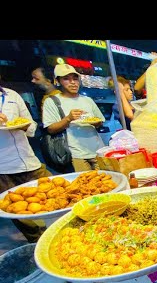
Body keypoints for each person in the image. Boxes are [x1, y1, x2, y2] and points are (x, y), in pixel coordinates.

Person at [0, 85, 52, 242]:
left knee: (55, 198)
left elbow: (31, 127)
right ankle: (36, 245)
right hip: (3, 167)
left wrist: (22, 125)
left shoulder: (12, 94)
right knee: (18, 214)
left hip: (28, 160)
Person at [42, 64, 105, 172]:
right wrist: (68, 118)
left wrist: (96, 123)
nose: (72, 82)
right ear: (58, 81)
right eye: (66, 79)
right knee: (86, 186)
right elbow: (50, 128)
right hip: (75, 155)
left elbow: (100, 121)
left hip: (98, 150)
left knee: (107, 181)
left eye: (75, 79)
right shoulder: (52, 101)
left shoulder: (87, 100)